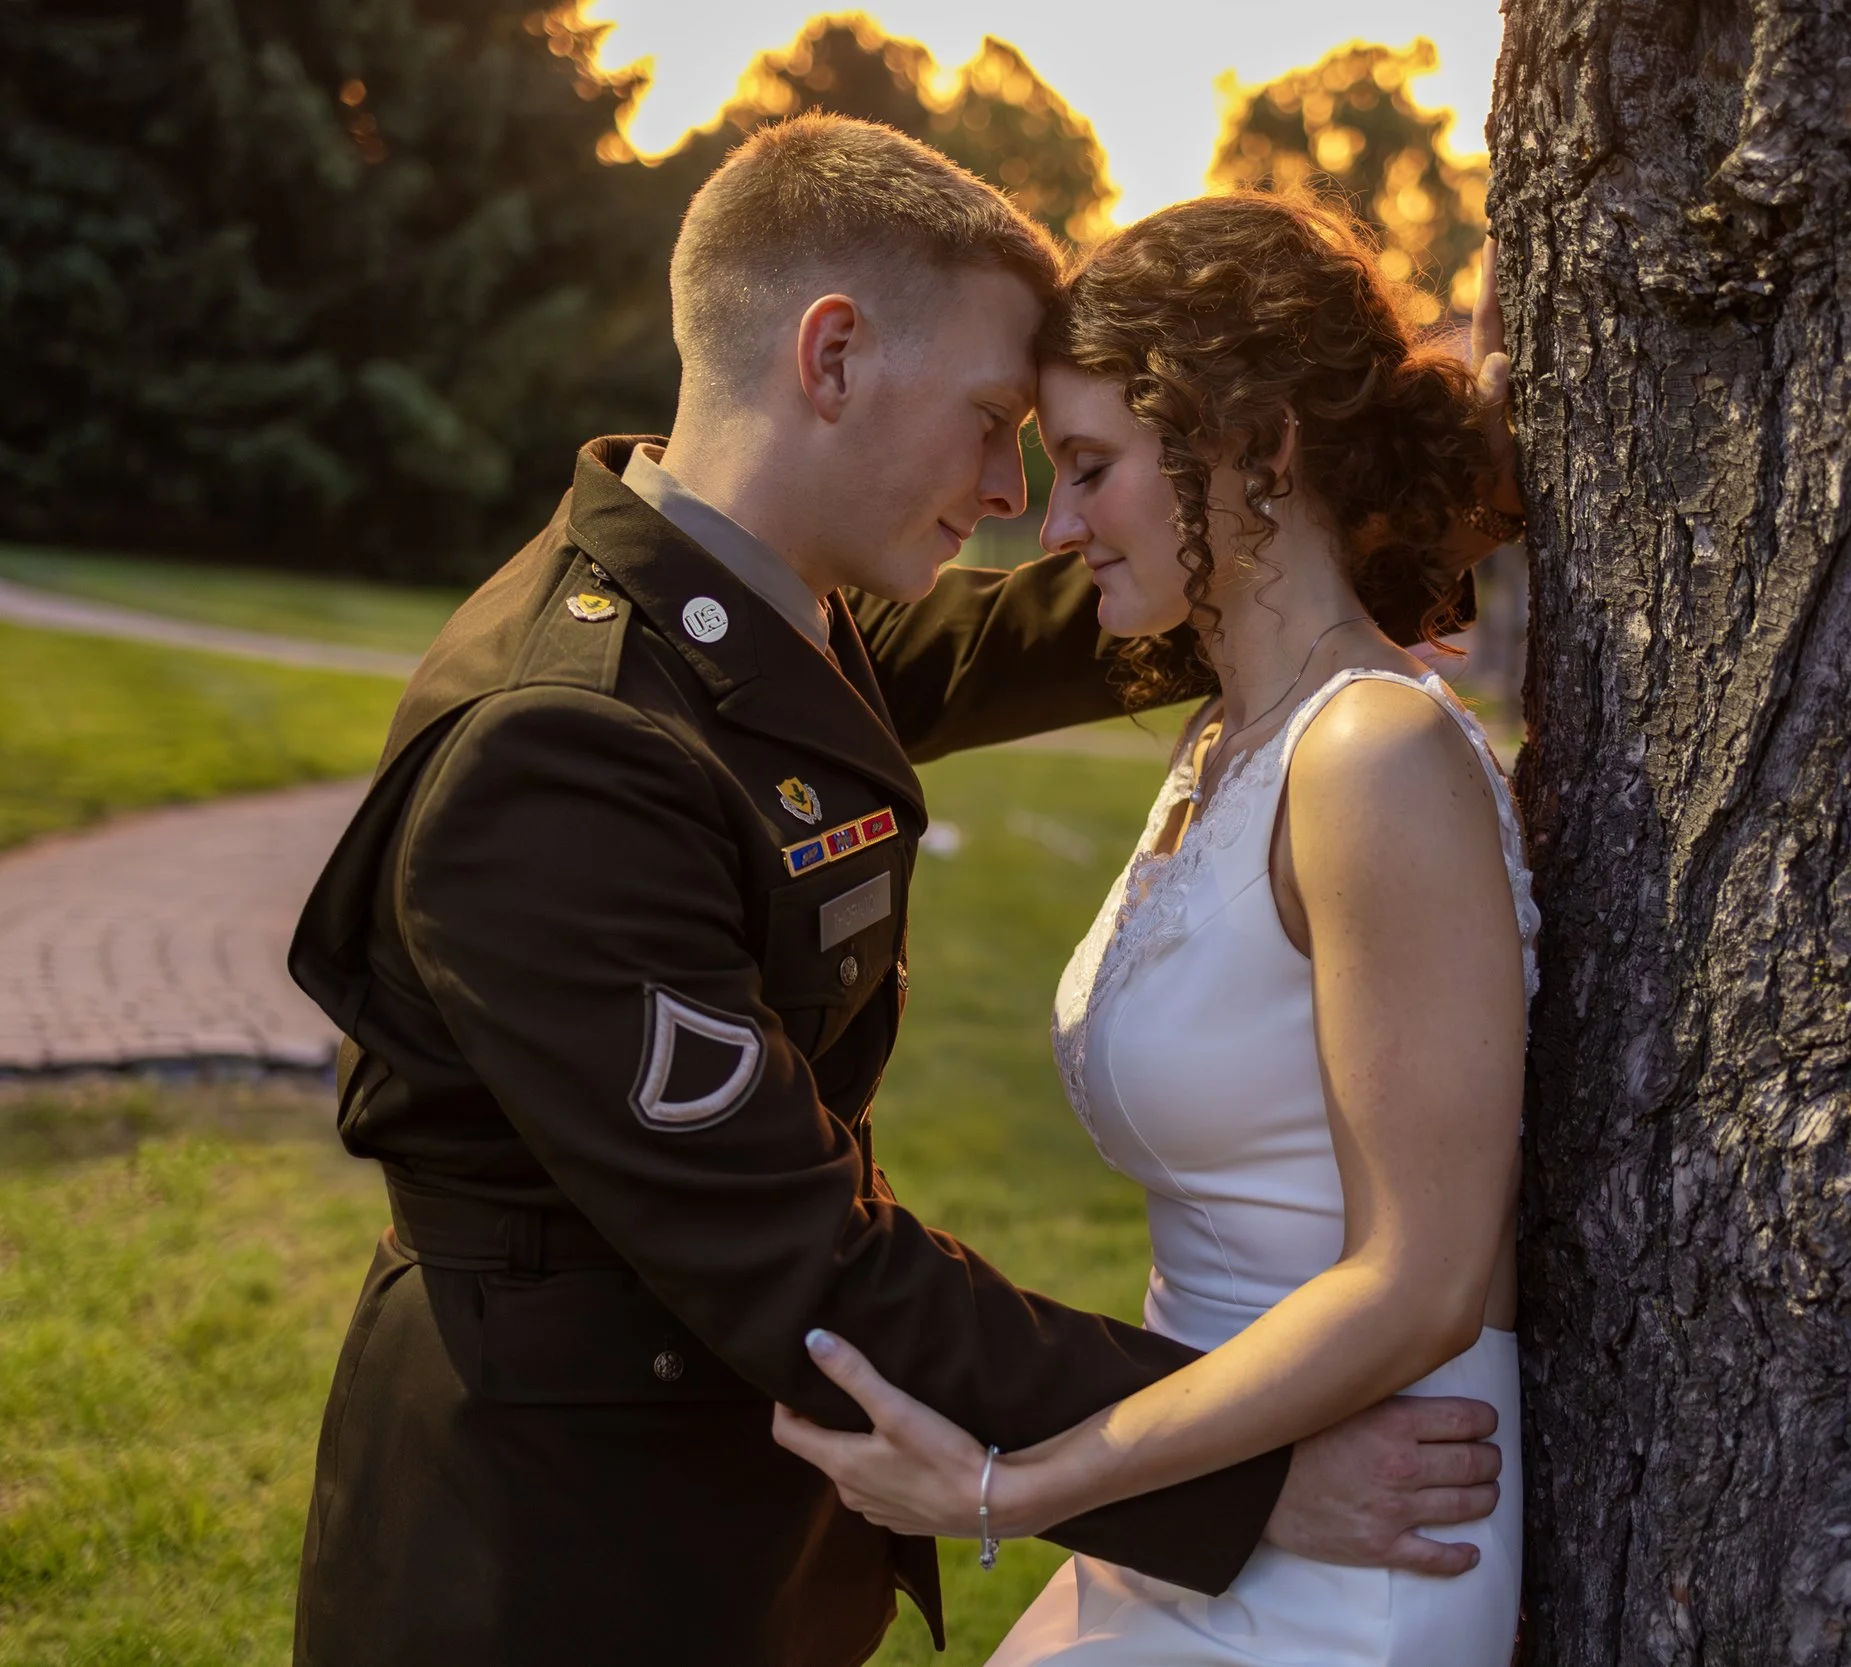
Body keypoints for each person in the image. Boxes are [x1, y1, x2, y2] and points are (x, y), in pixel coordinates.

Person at [283, 118, 1513, 1667]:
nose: (1016, 495)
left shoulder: (744, 610)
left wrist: (1351, 490)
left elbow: (1062, 612)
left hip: (729, 1494)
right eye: (1000, 425)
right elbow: (807, 1257)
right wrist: (1240, 1477)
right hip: (562, 1548)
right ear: (834, 355)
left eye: (1061, 461)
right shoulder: (571, 747)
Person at [770, 194, 1536, 1665]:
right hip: (1223, 1490)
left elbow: (1424, 1280)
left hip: (1368, 1546)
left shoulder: (1372, 759)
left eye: (1095, 470)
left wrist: (1020, 1484)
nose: (1051, 527)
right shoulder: (1222, 742)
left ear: (1259, 448)